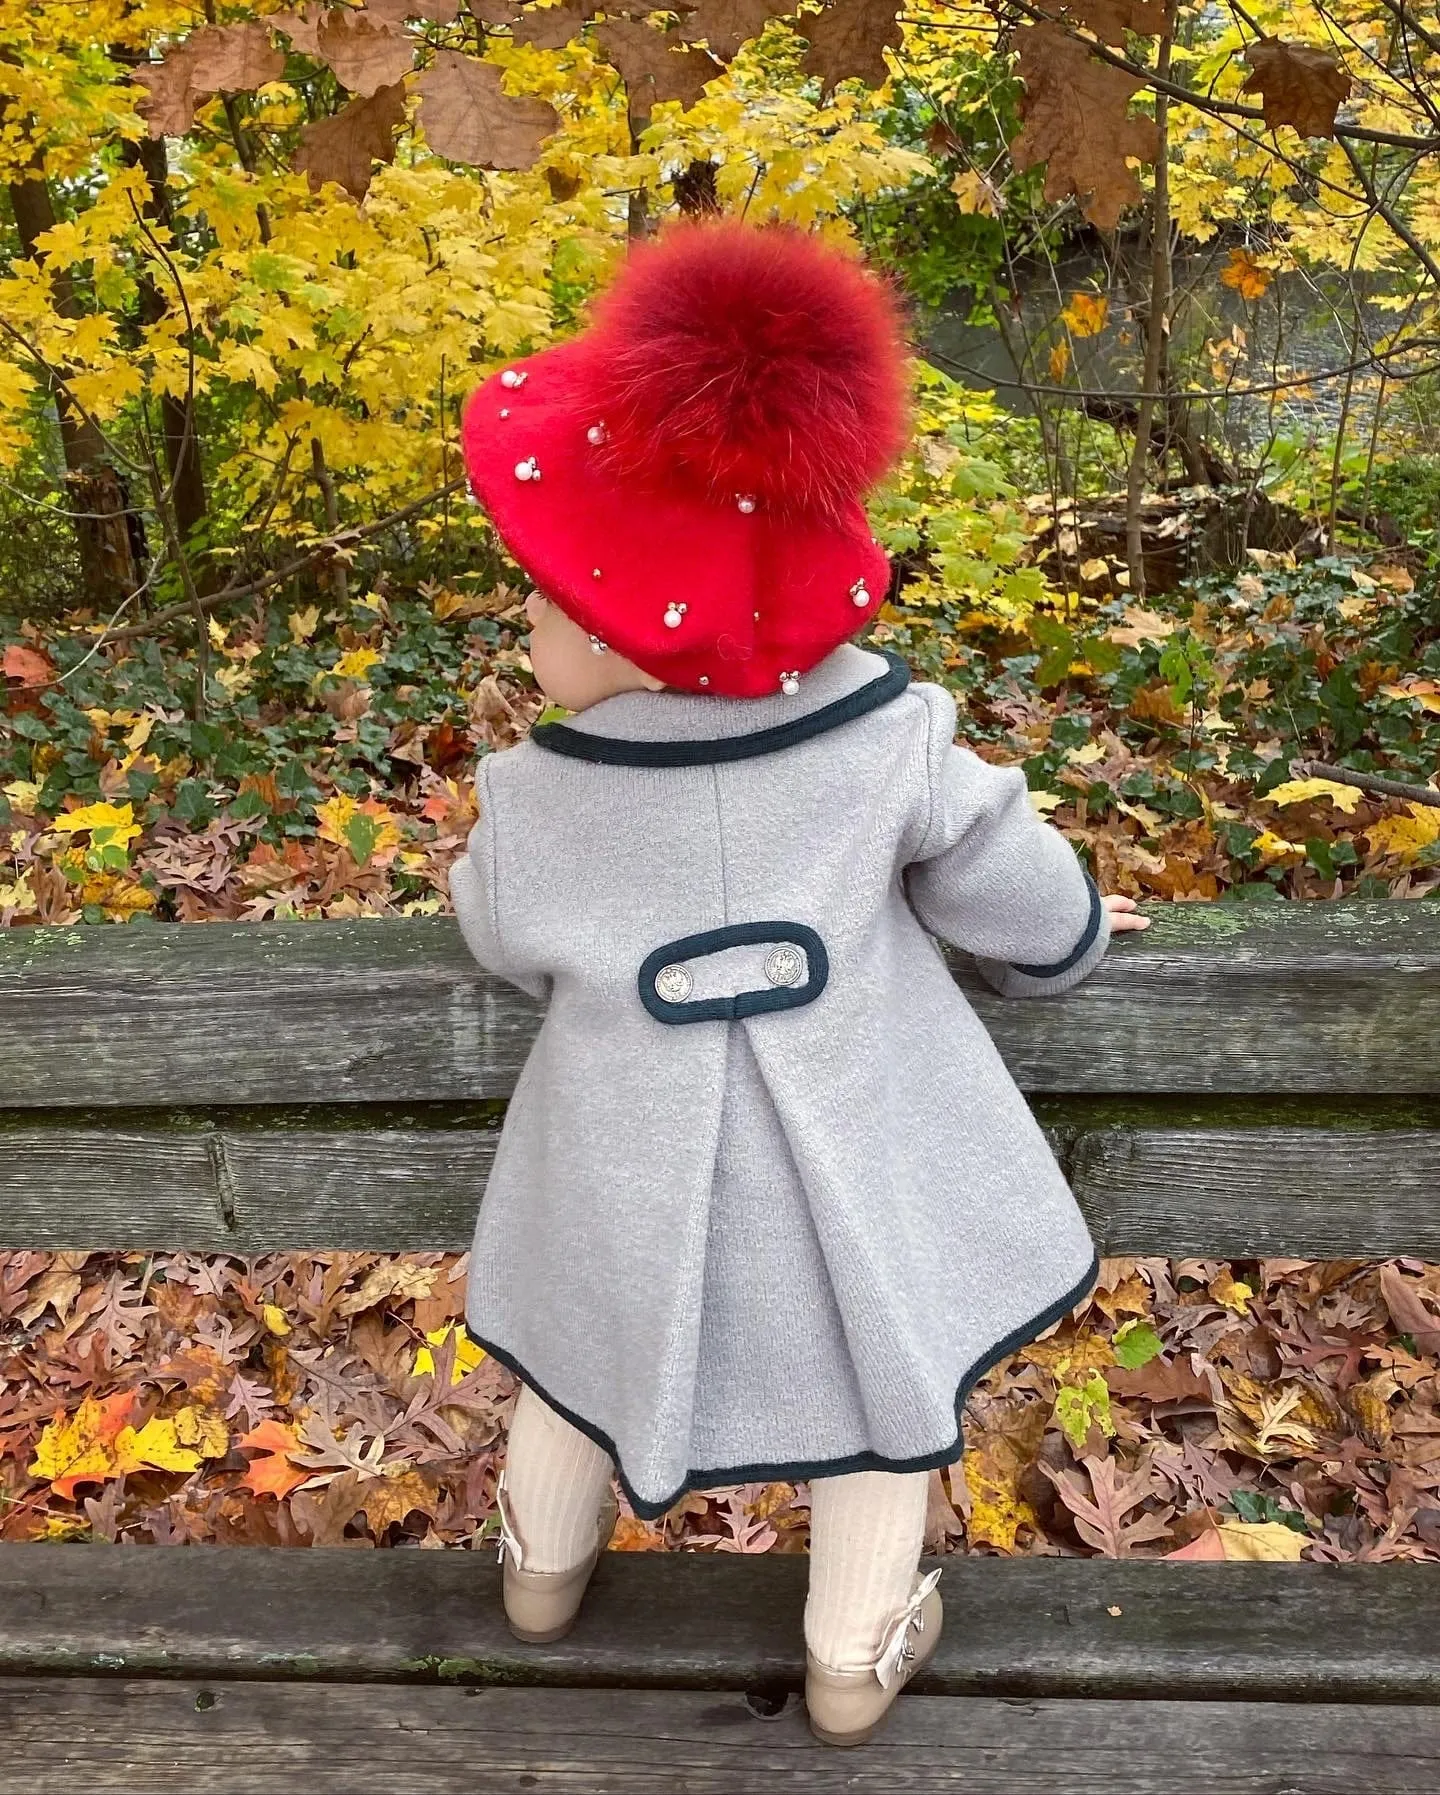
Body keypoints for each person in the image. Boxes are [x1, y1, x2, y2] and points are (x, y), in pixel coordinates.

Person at [450, 220, 1148, 1748]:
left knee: (577, 1352)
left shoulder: (538, 796)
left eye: (553, 600)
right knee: (877, 1381)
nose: (528, 621)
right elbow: (1010, 875)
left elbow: (494, 933)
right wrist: (1072, 942)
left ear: (640, 623)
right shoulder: (884, 741)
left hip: (620, 1189)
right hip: (853, 1175)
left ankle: (542, 1568)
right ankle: (851, 1647)